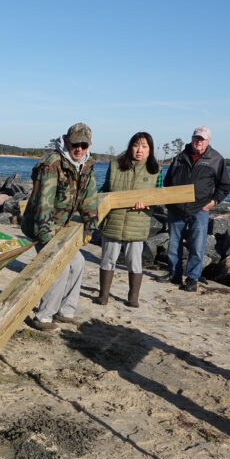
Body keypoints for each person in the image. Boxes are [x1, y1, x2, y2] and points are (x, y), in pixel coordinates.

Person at [21, 123, 98, 330]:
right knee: (59, 267)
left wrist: (91, 223)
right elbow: (42, 204)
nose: (79, 149)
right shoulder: (52, 163)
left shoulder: (86, 165)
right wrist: (47, 239)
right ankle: (44, 316)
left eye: (84, 145)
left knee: (78, 262)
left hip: (61, 227)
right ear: (67, 141)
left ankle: (66, 312)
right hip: (40, 225)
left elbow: (89, 198)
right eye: (75, 144)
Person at [159, 125, 230, 292]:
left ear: (208, 141)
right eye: (196, 138)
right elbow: (168, 182)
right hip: (176, 208)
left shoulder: (216, 159)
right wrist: (170, 201)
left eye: (202, 139)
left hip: (200, 209)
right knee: (173, 244)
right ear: (192, 138)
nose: (198, 141)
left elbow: (225, 185)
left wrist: (213, 202)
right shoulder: (179, 157)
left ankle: (192, 278)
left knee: (197, 245)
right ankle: (174, 273)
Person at [96, 131, 163, 307]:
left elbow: (160, 196)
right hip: (114, 220)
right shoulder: (116, 165)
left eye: (144, 146)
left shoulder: (156, 171)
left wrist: (149, 205)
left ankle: (133, 297)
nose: (139, 150)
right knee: (107, 259)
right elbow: (105, 188)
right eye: (136, 145)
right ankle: (103, 295)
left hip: (138, 222)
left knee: (134, 262)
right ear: (130, 147)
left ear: (150, 150)